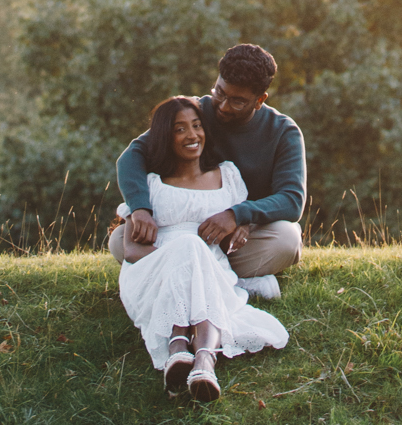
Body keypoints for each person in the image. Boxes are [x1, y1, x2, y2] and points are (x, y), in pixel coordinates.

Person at [116, 94, 289, 401]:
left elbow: (242, 221)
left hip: (212, 270)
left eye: (197, 126)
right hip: (156, 273)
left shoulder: (229, 176)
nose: (192, 135)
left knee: (195, 253)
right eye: (180, 129)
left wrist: (242, 225)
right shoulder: (151, 184)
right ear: (165, 137)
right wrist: (179, 261)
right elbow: (130, 251)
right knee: (189, 248)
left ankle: (194, 358)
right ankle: (196, 355)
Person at [111, 43, 304, 297]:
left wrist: (239, 215)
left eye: (237, 102)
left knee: (287, 240)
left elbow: (291, 199)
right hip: (180, 233)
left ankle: (193, 281)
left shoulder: (283, 132)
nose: (223, 106)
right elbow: (132, 156)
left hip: (236, 239)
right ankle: (233, 285)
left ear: (259, 100)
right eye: (220, 93)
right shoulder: (194, 113)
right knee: (120, 241)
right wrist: (140, 208)